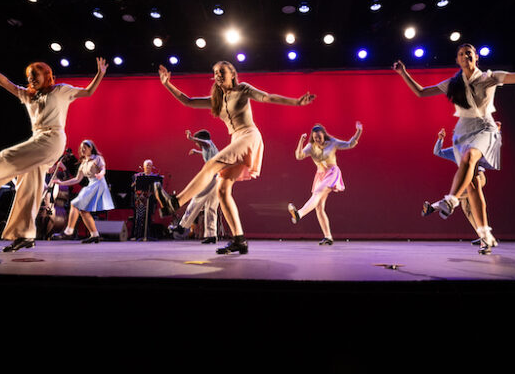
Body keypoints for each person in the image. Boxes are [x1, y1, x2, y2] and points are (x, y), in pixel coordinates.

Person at [393, 27, 515, 254]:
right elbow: (421, 92)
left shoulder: (490, 77)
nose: (466, 56)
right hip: (463, 133)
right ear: (457, 60)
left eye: (470, 53)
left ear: (477, 57)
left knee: (470, 156)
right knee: (474, 186)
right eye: (462, 54)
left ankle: (451, 200)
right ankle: (486, 235)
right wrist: (403, 74)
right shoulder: (453, 83)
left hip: (486, 130)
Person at [0, 49, 106, 252]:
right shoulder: (28, 95)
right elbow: (4, 82)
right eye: (29, 77)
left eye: (35, 76)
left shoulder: (60, 90)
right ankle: (25, 235)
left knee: (6, 156)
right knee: (28, 186)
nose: (31, 80)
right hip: (38, 139)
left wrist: (100, 75)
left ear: (46, 74)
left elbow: (87, 92)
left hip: (52, 139)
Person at [154, 61, 315, 254]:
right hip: (236, 139)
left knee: (212, 164)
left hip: (249, 136)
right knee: (222, 190)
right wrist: (167, 84)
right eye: (215, 72)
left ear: (232, 73)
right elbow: (188, 101)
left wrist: (296, 102)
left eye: (222, 71)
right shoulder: (217, 100)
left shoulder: (243, 89)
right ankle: (239, 240)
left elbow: (267, 97)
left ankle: (175, 203)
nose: (218, 75)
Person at [287, 121, 363, 245]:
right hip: (320, 175)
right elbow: (299, 156)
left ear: (324, 135)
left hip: (332, 173)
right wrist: (301, 141)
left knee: (317, 193)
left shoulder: (332, 142)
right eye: (315, 138)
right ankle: (328, 237)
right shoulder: (311, 146)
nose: (318, 140)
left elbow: (350, 144)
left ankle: (299, 214)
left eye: (320, 137)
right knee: (319, 207)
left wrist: (359, 131)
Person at [430, 125, 493, 245]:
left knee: (456, 196)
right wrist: (440, 139)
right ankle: (484, 237)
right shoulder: (454, 151)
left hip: (478, 177)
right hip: (466, 181)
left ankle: (435, 207)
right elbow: (437, 152)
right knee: (468, 209)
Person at [49, 140, 113, 243]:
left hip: (98, 184)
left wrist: (101, 174)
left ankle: (68, 232)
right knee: (83, 211)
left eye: (85, 148)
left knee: (75, 204)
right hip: (91, 185)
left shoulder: (97, 158)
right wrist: (61, 183)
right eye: (81, 148)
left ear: (90, 148)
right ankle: (95, 235)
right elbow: (77, 179)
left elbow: (103, 169)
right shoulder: (83, 163)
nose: (82, 150)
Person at [169, 130, 221, 244]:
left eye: (197, 142)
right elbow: (205, 151)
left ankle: (182, 226)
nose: (196, 144)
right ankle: (212, 235)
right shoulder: (210, 148)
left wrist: (191, 138)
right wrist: (197, 152)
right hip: (219, 177)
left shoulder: (208, 143)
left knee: (197, 197)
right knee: (211, 207)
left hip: (212, 177)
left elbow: (205, 143)